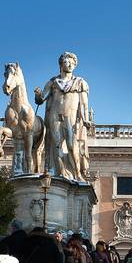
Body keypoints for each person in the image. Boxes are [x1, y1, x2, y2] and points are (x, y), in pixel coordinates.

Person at [34, 51, 91, 181]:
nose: (70, 64)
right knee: (56, 145)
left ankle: (77, 174)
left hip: (70, 117)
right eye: (67, 61)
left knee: (72, 145)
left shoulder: (80, 82)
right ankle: (60, 173)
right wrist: (37, 95)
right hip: (54, 115)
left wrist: (85, 119)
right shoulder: (53, 82)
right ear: (61, 64)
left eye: (73, 63)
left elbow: (83, 104)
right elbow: (41, 99)